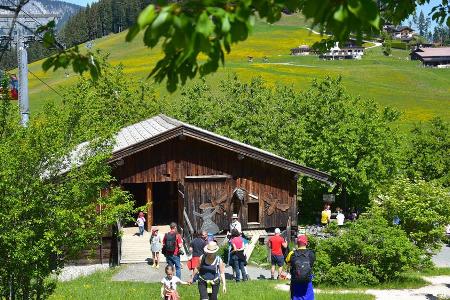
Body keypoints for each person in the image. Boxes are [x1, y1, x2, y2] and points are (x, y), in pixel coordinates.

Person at [285, 235, 315, 300]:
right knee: (308, 297)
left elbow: (287, 262)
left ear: (297, 243)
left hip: (295, 280)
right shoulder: (311, 253)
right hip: (307, 280)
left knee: (296, 297)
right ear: (306, 243)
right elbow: (312, 264)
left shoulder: (292, 253)